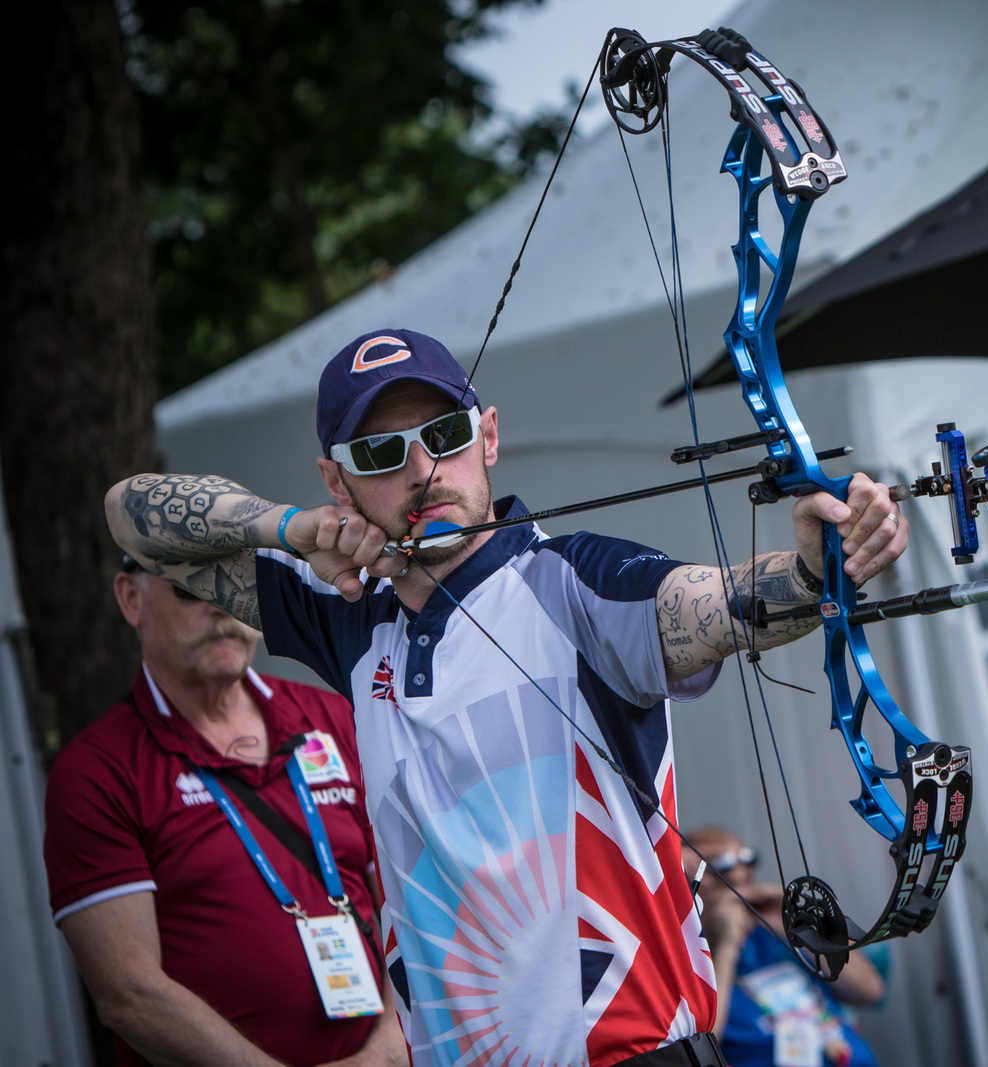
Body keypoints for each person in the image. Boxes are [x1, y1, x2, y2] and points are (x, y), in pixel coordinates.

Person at [104, 328, 909, 1067]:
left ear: (487, 436)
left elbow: (713, 603)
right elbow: (130, 514)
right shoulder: (346, 616)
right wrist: (290, 528)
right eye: (382, 452)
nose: (422, 470)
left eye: (445, 437)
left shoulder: (576, 580)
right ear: (338, 482)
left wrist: (807, 574)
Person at [43, 555, 404, 1067]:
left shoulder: (332, 714)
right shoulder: (95, 770)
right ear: (131, 598)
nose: (223, 607)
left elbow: (407, 907)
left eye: (239, 584)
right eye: (192, 588)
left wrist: (386, 1054)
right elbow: (129, 994)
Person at [682, 826, 883, 1067]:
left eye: (746, 859)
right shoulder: (689, 956)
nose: (738, 874)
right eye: (720, 866)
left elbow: (869, 991)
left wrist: (799, 925)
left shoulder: (775, 931)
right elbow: (701, 1045)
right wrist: (726, 946)